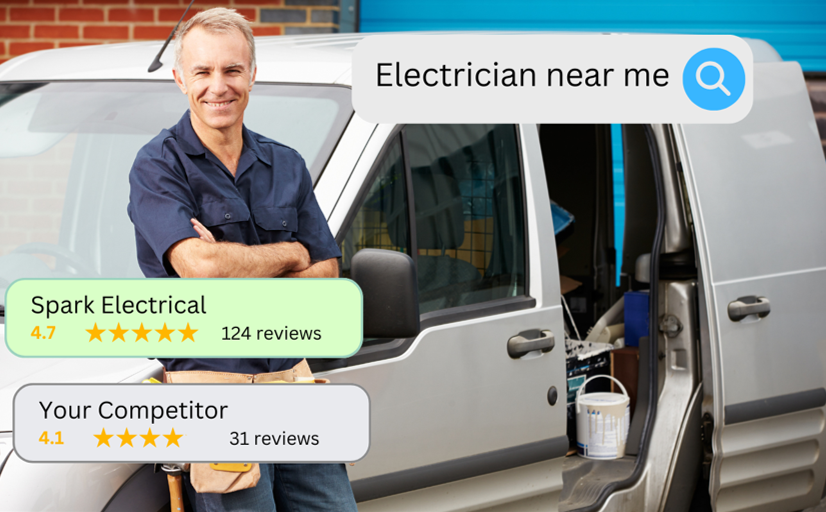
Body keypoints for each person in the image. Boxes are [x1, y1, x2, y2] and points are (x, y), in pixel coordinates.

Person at [127, 8, 357, 512]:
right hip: (216, 396)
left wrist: (232, 263)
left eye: (231, 70)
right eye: (203, 72)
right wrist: (291, 254)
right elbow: (199, 267)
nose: (218, 86)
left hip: (293, 386)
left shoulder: (286, 164)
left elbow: (327, 278)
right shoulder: (157, 166)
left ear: (252, 74)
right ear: (179, 78)